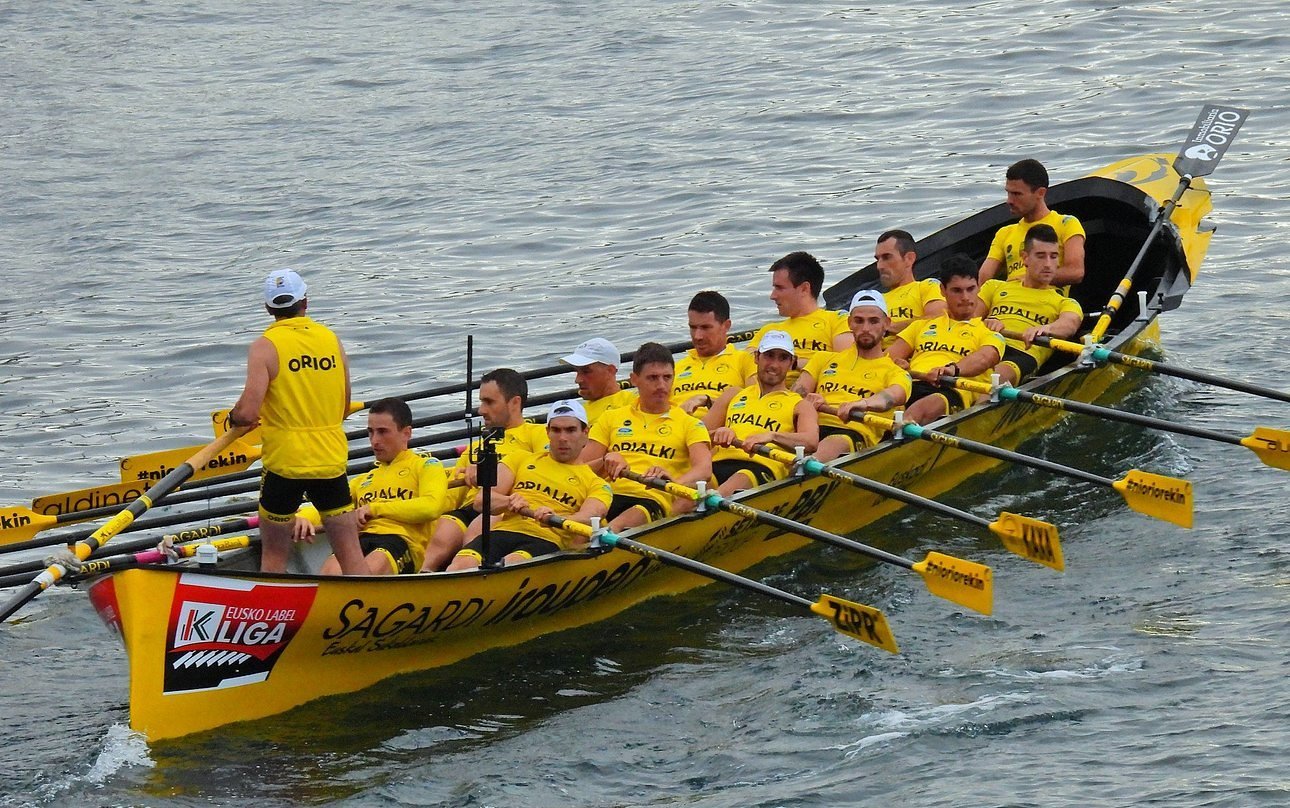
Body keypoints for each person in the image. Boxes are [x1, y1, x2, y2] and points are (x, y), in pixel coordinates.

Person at [229, 268, 366, 575]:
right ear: (306, 301)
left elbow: (248, 413)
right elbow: (343, 406)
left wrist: (233, 418)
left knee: (275, 559)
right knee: (352, 558)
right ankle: (367, 611)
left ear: (268, 308)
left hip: (284, 466)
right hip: (329, 460)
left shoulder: (264, 346)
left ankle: (270, 618)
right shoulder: (331, 340)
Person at [446, 399, 613, 570]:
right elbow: (481, 501)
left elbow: (589, 517)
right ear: (547, 432)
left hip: (546, 540)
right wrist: (508, 502)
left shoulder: (597, 484)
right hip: (503, 532)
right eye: (556, 430)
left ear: (585, 433)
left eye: (570, 430)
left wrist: (556, 518)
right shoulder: (519, 458)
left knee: (511, 564)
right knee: (459, 565)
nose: (562, 438)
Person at [293, 398, 449, 574]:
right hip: (360, 540)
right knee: (330, 572)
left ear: (406, 433)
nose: (374, 441)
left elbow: (431, 507)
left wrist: (375, 509)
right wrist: (303, 518)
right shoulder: (363, 480)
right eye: (371, 432)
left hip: (400, 541)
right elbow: (329, 507)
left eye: (383, 432)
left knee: (375, 566)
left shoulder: (427, 465)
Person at [419, 368, 547, 572]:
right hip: (470, 506)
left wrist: (490, 471)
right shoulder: (474, 449)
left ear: (515, 403)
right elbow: (449, 498)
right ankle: (422, 576)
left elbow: (549, 469)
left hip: (507, 507)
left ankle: (467, 574)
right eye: (481, 402)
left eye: (489, 402)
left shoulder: (537, 434)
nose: (481, 410)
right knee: (445, 526)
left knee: (478, 527)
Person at [579, 342, 713, 531]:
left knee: (618, 525)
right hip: (609, 495)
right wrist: (605, 460)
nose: (661, 385)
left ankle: (606, 537)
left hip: (654, 498)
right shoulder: (611, 417)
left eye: (667, 377)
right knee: (578, 530)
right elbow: (579, 470)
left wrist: (675, 483)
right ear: (634, 379)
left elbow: (704, 469)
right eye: (652, 378)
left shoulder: (689, 423)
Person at [697, 330, 818, 499]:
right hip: (718, 464)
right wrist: (718, 433)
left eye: (782, 358)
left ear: (792, 364)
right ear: (756, 357)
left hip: (760, 467)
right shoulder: (733, 394)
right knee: (685, 495)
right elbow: (694, 437)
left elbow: (811, 442)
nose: (774, 364)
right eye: (769, 356)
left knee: (730, 487)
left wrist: (772, 436)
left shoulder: (800, 405)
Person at [888, 255, 1006, 425]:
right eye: (957, 290)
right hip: (912, 384)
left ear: (979, 288)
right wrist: (896, 366)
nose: (965, 297)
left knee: (923, 408)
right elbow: (885, 359)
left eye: (970, 289)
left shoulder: (989, 331)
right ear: (942, 290)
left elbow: (984, 358)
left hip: (952, 389)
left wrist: (952, 370)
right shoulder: (922, 325)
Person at [795, 291, 911, 461]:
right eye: (859, 321)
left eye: (873, 321)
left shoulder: (895, 372)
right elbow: (796, 393)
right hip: (809, 428)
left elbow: (892, 396)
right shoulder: (823, 359)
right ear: (849, 323)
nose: (866, 328)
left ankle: (803, 470)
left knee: (833, 444)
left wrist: (862, 404)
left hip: (851, 432)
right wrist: (808, 400)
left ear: (886, 324)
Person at [978, 224, 1084, 385]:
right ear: (1025, 258)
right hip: (984, 344)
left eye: (1054, 256)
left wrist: (1047, 329)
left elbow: (1069, 324)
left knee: (994, 379)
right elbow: (966, 319)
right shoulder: (994, 287)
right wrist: (984, 323)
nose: (1048, 264)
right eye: (1041, 256)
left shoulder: (1065, 302)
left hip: (1021, 353)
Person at [748, 251, 853, 386]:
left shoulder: (838, 320)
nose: (772, 296)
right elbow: (746, 366)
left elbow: (846, 366)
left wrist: (794, 364)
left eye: (779, 288)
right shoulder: (769, 331)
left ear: (804, 289)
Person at [977, 159, 1086, 288]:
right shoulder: (1004, 233)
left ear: (1040, 193)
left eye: (1017, 194)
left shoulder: (1066, 224)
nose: (1009, 201)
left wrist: (1030, 279)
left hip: (1048, 302)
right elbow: (984, 279)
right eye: (1008, 193)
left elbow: (1076, 272)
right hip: (1009, 301)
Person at [672, 291, 756, 415]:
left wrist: (707, 401)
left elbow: (756, 405)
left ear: (726, 326)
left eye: (705, 328)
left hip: (718, 429)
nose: (697, 336)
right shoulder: (675, 368)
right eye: (693, 327)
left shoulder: (744, 360)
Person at [874, 229, 946, 344]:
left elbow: (940, 318)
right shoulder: (875, 299)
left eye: (887, 257)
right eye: (878, 259)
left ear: (909, 258)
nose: (879, 266)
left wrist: (889, 327)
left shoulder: (926, 286)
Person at [561, 337, 637, 424]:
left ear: (610, 371)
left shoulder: (633, 404)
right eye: (577, 371)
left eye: (586, 371)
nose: (577, 380)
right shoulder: (577, 412)